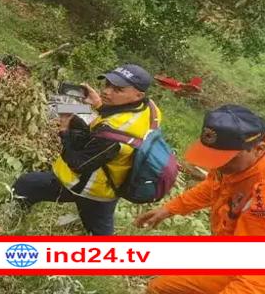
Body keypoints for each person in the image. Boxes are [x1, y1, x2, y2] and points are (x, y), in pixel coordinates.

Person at [12, 64, 160, 235]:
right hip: (110, 187)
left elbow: (78, 165)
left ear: (138, 94)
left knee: (26, 185)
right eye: (107, 84)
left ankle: (8, 221)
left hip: (87, 188)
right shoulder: (150, 108)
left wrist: (64, 130)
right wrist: (99, 104)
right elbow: (120, 119)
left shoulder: (115, 134)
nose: (107, 92)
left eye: (117, 90)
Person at [136, 105, 265, 294]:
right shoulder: (231, 165)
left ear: (258, 149)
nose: (218, 166)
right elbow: (212, 186)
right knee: (160, 288)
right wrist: (170, 209)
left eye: (225, 160)